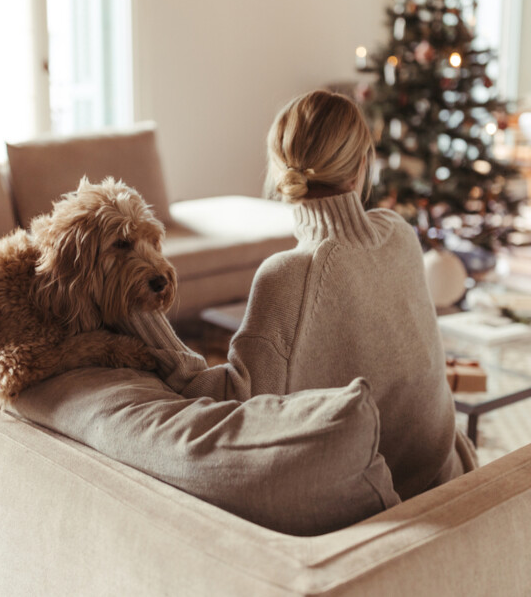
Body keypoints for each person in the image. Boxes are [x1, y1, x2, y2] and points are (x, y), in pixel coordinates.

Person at [131, 90, 476, 501]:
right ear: (361, 167)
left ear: (280, 171)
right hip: (447, 475)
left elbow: (235, 409)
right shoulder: (399, 233)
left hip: (381, 502)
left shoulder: (287, 277)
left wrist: (140, 312)